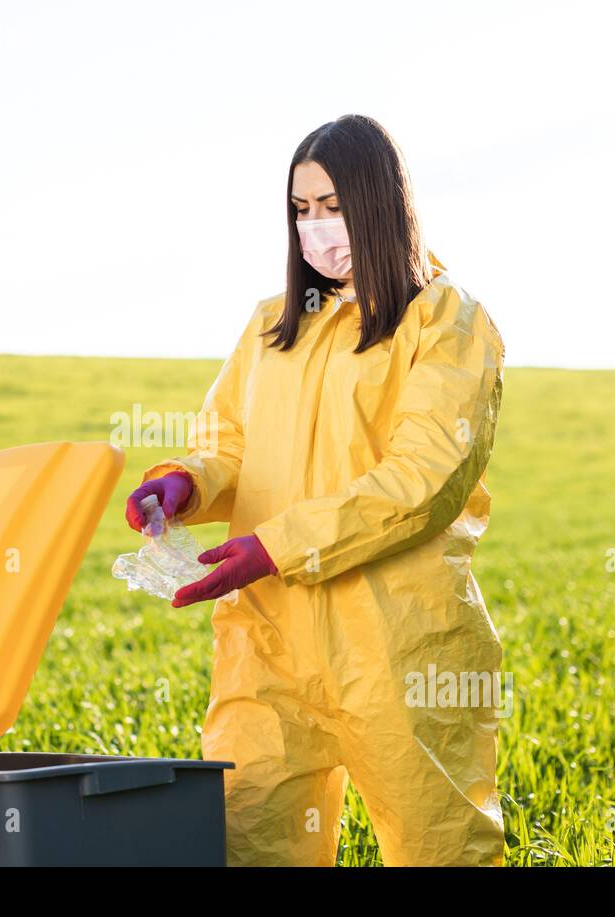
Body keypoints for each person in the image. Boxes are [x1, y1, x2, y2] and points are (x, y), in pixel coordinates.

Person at [126, 114, 507, 867]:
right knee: (251, 843)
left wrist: (275, 546)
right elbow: (228, 442)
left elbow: (423, 481)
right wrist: (183, 484)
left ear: (378, 202)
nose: (315, 227)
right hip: (266, 644)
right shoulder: (273, 325)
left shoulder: (446, 322)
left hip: (398, 643)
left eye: (331, 205)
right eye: (301, 211)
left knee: (439, 848)